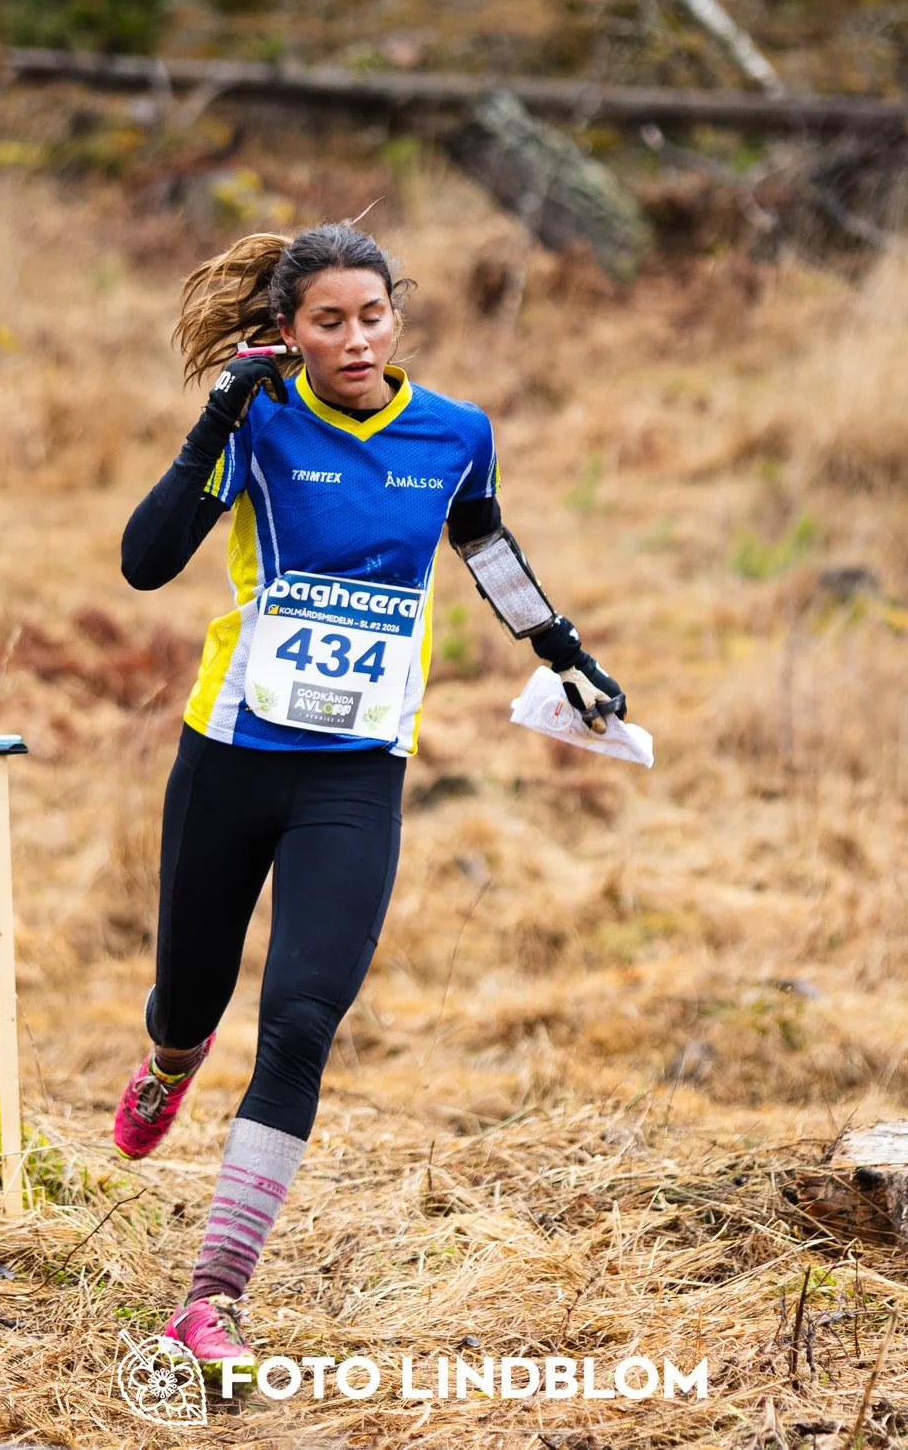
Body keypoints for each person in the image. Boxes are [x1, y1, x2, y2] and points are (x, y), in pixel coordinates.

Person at [111, 222, 626, 1377]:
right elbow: (146, 560)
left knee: (301, 1016)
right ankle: (170, 1056)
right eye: (328, 322)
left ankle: (211, 1298)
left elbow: (483, 542)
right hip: (232, 749)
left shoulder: (452, 431)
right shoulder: (261, 421)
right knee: (189, 997)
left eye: (373, 315)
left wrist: (565, 651)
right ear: (285, 334)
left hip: (356, 771)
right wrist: (220, 415)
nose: (355, 339)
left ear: (396, 314)